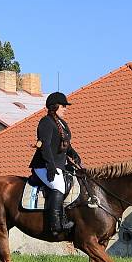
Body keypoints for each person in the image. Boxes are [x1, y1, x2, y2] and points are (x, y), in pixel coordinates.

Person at [29, 92, 82, 234]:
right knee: (59, 185)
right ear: (55, 107)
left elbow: (65, 145)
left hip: (59, 165)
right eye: (63, 106)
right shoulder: (45, 122)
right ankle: (55, 224)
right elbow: (45, 146)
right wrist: (50, 166)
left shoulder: (62, 123)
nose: (66, 108)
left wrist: (73, 154)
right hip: (43, 165)